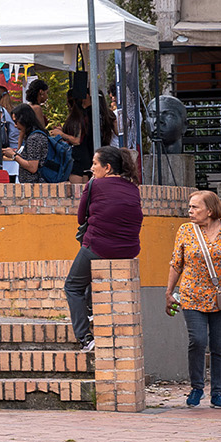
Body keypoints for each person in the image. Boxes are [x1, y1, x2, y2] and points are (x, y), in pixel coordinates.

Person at [165, 190, 221, 408]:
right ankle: (196, 387)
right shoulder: (185, 230)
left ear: (210, 210)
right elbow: (176, 263)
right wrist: (169, 292)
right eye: (190, 207)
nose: (190, 211)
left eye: (195, 207)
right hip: (191, 295)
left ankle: (217, 393)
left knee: (219, 346)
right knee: (198, 340)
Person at [65, 145, 143, 354]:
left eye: (94, 164)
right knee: (89, 274)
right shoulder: (133, 187)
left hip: (99, 247)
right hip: (129, 249)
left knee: (72, 286)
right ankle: (89, 310)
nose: (91, 168)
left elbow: (81, 219)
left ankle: (85, 338)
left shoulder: (94, 185)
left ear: (107, 168)